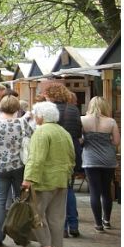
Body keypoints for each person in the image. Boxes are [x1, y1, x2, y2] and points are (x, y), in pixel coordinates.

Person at [21, 102, 75, 247]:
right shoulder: (63, 132)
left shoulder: (41, 132)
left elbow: (36, 159)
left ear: (41, 116)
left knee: (36, 213)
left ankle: (46, 246)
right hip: (62, 179)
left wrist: (28, 178)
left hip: (44, 180)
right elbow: (72, 156)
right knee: (57, 216)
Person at [0, 95, 34, 246]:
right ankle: (20, 234)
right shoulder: (22, 123)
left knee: (0, 200)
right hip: (20, 166)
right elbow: (32, 141)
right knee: (21, 200)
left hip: (1, 167)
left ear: (1, 107)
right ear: (17, 108)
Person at [44, 83, 82, 237]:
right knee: (69, 188)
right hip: (72, 150)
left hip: (54, 151)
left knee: (56, 191)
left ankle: (62, 227)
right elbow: (79, 132)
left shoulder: (49, 110)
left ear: (51, 95)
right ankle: (74, 224)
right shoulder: (73, 109)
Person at [81, 96, 120, 232]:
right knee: (106, 192)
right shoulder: (111, 122)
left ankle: (98, 224)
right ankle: (107, 221)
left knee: (94, 191)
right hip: (108, 160)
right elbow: (116, 142)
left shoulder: (83, 120)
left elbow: (80, 141)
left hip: (90, 160)